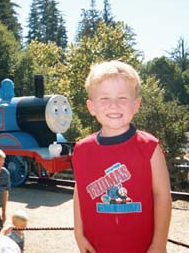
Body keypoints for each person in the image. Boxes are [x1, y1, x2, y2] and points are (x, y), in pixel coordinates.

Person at [72, 60, 172, 253]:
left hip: (142, 247)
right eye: (105, 99)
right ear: (91, 107)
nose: (114, 106)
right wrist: (79, 233)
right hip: (97, 246)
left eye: (122, 98)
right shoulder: (81, 150)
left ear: (136, 105)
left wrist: (159, 244)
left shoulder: (150, 147)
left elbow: (163, 197)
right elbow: (80, 192)